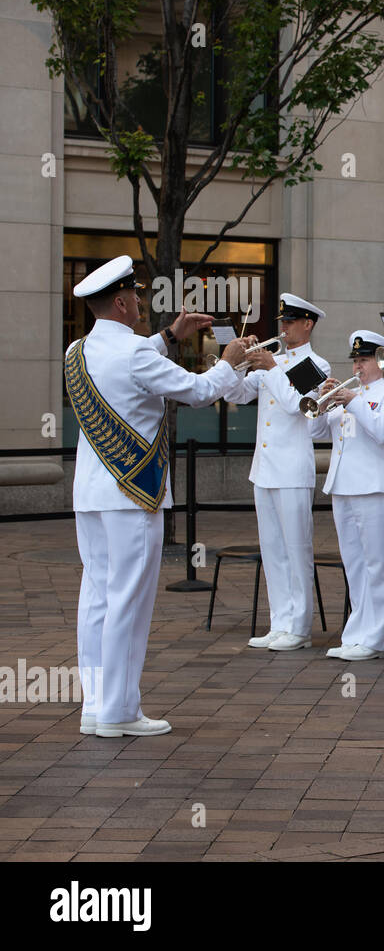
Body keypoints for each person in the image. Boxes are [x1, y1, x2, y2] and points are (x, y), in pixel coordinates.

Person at [66, 255, 249, 737]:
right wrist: (228, 364)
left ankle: (96, 703)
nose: (142, 304)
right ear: (124, 302)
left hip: (91, 492)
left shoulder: (77, 351)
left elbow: (131, 359)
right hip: (132, 492)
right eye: (138, 298)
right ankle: (120, 712)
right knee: (129, 599)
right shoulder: (135, 354)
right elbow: (198, 391)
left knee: (98, 596)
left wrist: (171, 335)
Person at [224, 293, 331, 652]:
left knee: (296, 549)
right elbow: (235, 396)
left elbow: (295, 405)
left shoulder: (315, 364)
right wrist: (235, 363)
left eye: (289, 323)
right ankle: (279, 622)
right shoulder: (276, 362)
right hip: (265, 470)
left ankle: (299, 627)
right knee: (272, 550)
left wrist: (271, 368)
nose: (283, 328)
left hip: (292, 470)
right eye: (281, 323)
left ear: (307, 325)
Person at [308, 330, 384, 660]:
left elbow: (382, 432)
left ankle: (376, 639)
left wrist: (355, 401)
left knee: (377, 565)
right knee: (354, 566)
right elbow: (314, 431)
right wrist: (322, 402)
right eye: (355, 361)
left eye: (363, 361)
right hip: (344, 487)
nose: (357, 368)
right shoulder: (348, 395)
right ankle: (356, 633)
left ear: (381, 362)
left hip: (376, 487)